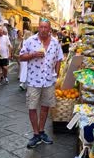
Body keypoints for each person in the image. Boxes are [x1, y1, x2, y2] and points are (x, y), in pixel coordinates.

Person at [19, 18, 63, 148]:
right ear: (38, 27)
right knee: (32, 107)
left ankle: (42, 131)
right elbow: (21, 57)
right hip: (33, 80)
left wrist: (57, 73)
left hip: (49, 80)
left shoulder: (55, 43)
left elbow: (59, 58)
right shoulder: (30, 41)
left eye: (46, 27)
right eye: (41, 27)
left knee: (45, 107)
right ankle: (35, 133)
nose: (43, 29)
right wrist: (33, 54)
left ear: (50, 29)